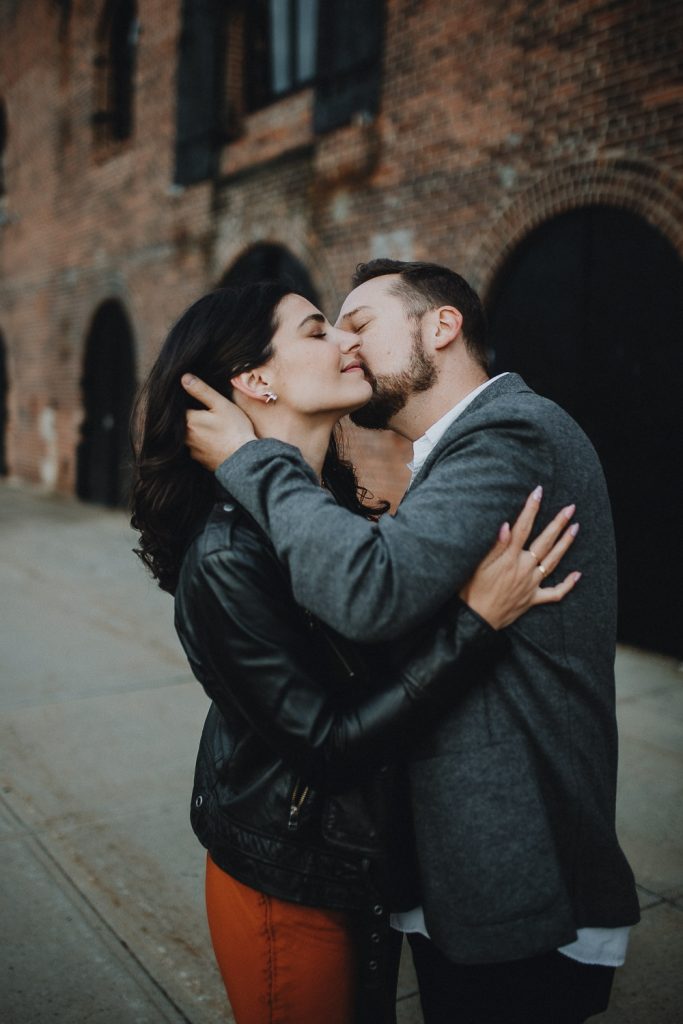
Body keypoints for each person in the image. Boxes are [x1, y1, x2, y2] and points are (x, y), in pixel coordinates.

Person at [181, 259, 640, 1024]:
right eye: (326, 331)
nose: (346, 347)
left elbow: (370, 593)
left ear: (442, 325)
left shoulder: (509, 432)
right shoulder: (430, 466)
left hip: (517, 878)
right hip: (439, 870)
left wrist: (249, 459)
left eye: (357, 325)